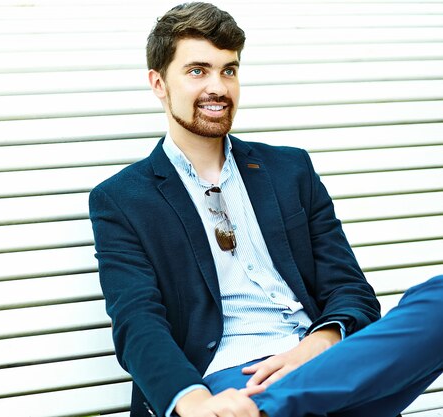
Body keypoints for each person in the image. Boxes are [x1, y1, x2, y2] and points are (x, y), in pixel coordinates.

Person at [88, 2, 443, 417]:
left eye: (229, 70)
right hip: (229, 382)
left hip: (324, 362)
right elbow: (139, 324)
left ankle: (271, 410)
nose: (218, 87)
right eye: (197, 71)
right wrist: (197, 404)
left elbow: (351, 291)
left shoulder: (289, 170)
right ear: (159, 83)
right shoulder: (123, 198)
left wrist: (317, 344)